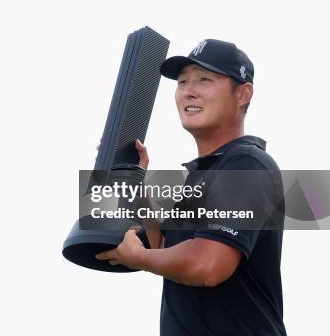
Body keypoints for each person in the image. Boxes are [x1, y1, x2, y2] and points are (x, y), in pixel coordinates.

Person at [95, 39, 287, 335]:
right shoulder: (200, 180)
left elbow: (208, 264)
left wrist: (140, 258)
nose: (189, 90)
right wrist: (136, 179)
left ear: (243, 94)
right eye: (182, 82)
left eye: (205, 79)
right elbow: (163, 248)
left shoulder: (248, 164)